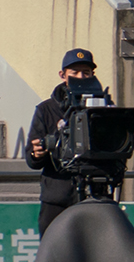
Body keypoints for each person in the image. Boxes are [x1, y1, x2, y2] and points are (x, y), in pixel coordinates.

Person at [26, 48, 108, 235]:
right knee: (54, 256)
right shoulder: (46, 109)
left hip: (95, 195)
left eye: (86, 73)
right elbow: (31, 158)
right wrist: (38, 153)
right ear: (63, 75)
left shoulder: (104, 108)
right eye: (75, 73)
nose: (81, 77)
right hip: (57, 197)